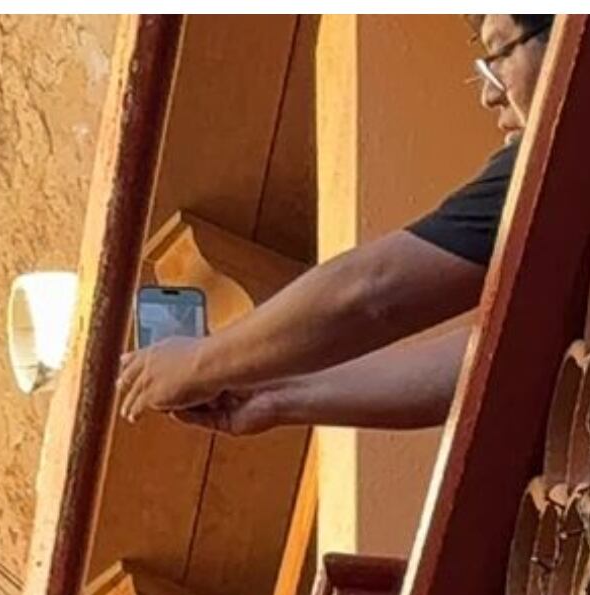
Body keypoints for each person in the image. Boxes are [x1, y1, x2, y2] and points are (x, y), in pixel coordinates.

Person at [113, 16, 552, 442]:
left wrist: (201, 363)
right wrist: (276, 395)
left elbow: (373, 292)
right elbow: (489, 363)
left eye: (499, 51)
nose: (489, 95)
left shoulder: (547, 159)